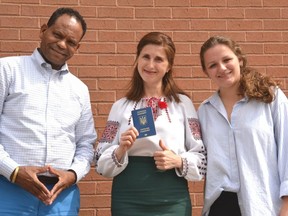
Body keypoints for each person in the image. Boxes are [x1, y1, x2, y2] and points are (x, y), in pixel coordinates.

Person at [95, 31, 207, 216]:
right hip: (128, 197)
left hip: (172, 196)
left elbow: (201, 157)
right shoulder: (120, 106)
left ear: (169, 65)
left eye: (159, 59)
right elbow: (100, 161)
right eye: (145, 57)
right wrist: (121, 149)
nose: (150, 65)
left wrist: (178, 160)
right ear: (137, 59)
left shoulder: (182, 104)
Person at [0, 7, 97, 215]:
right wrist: (14, 172)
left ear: (77, 47)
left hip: (62, 197)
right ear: (43, 30)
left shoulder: (79, 90)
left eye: (71, 42)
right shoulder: (7, 70)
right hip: (8, 188)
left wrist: (72, 175)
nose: (62, 45)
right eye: (58, 35)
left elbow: (86, 144)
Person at [197, 35, 288, 216]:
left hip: (262, 204)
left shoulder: (271, 98)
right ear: (206, 72)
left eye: (226, 60)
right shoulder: (205, 111)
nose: (221, 68)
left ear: (239, 59)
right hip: (219, 206)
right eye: (213, 65)